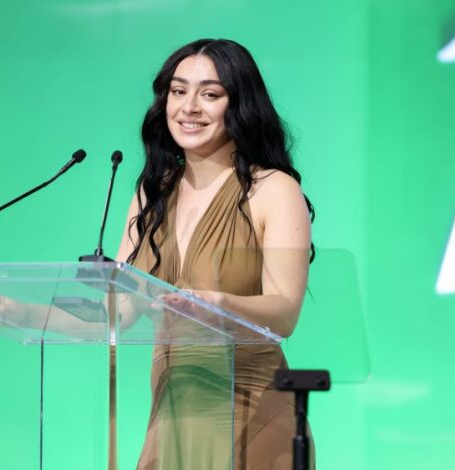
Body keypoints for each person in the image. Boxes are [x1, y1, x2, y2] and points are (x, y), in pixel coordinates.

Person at [115, 38, 315, 470]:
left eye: (210, 94)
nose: (189, 107)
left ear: (239, 105)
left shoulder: (272, 189)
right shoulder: (153, 192)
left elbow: (285, 313)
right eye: (178, 91)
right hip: (173, 411)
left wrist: (215, 304)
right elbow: (120, 311)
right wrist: (19, 312)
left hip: (250, 405)